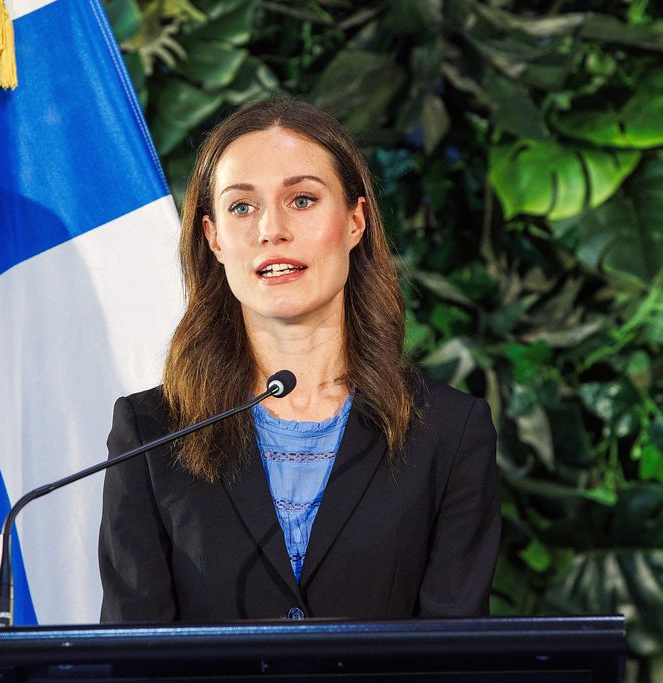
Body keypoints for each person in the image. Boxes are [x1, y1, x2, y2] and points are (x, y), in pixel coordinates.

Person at [98, 98, 499, 622]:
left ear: (355, 221)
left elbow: (456, 654)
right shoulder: (150, 434)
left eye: (302, 200)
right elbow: (131, 654)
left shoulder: (450, 431)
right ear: (213, 238)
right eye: (242, 207)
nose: (271, 229)